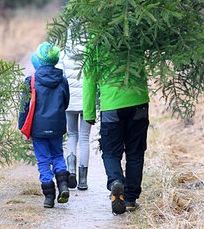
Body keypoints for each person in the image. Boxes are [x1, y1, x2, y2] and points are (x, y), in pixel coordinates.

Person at [82, 47, 150, 214]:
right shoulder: (136, 28)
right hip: (138, 101)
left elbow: (90, 78)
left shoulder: (98, 37)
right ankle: (130, 200)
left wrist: (89, 112)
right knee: (135, 152)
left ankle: (115, 182)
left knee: (111, 151)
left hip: (111, 105)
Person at [18, 42, 70, 208]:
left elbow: (24, 108)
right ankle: (63, 185)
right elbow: (66, 102)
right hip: (57, 126)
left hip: (38, 128)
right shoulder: (62, 80)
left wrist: (23, 127)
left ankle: (49, 196)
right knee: (57, 155)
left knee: (43, 160)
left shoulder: (31, 81)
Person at [57, 39, 91, 190]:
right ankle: (83, 181)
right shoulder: (90, 50)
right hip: (86, 101)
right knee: (84, 138)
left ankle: (71, 172)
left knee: (72, 135)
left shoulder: (63, 53)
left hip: (69, 101)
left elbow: (60, 77)